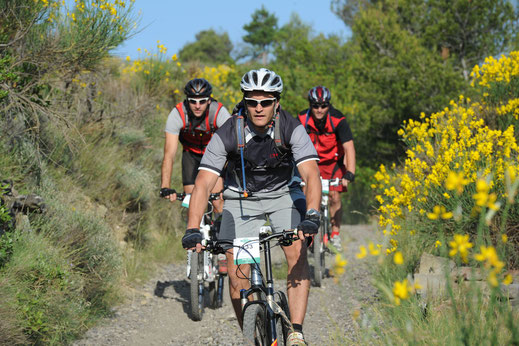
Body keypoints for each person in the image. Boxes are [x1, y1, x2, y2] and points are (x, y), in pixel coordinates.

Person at [182, 68, 322, 345]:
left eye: (265, 101)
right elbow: (203, 183)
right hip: (240, 198)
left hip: (283, 194)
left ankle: (295, 331)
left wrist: (313, 215)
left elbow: (311, 175)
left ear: (276, 103)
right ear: (245, 102)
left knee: (296, 250)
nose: (258, 108)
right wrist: (192, 228)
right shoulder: (228, 132)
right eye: (252, 101)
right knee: (236, 273)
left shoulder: (290, 127)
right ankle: (250, 332)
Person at [160, 78, 231, 272]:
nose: (197, 105)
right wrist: (165, 186)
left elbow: (230, 148)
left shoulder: (219, 112)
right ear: (187, 101)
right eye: (193, 101)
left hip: (215, 156)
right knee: (193, 201)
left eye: (202, 101)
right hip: (190, 156)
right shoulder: (177, 114)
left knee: (217, 200)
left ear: (209, 100)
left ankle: (223, 248)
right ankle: (195, 238)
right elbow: (169, 153)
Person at [297, 86, 356, 251]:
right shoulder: (302, 119)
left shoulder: (338, 119)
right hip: (310, 163)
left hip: (333, 164)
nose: (319, 109)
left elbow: (349, 147)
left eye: (323, 106)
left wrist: (350, 172)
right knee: (304, 195)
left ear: (329, 105)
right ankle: (310, 232)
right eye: (315, 106)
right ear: (310, 105)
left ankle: (335, 234)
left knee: (334, 196)